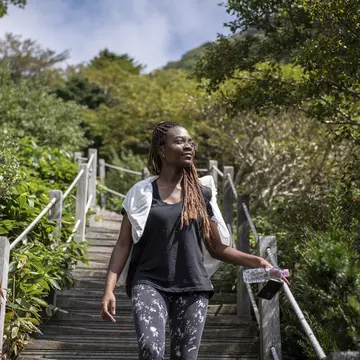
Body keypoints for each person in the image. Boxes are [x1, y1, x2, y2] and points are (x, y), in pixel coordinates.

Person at [101, 121, 274, 360]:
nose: (188, 146)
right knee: (150, 351)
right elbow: (123, 245)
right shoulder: (140, 193)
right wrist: (109, 289)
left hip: (193, 286)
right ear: (162, 150)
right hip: (149, 283)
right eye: (179, 141)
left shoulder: (200, 193)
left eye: (190, 141)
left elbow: (217, 248)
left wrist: (256, 261)